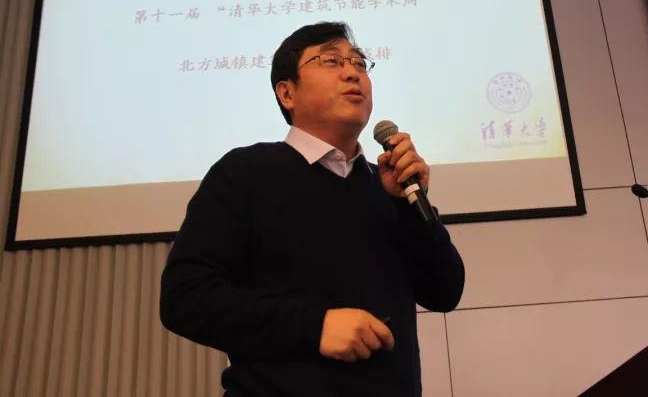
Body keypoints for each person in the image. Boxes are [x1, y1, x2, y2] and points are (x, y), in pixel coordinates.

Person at [160, 21, 465, 396]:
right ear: (287, 93)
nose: (352, 72)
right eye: (331, 61)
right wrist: (314, 327)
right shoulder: (245, 172)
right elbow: (185, 298)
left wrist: (407, 208)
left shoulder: (388, 186)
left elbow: (445, 291)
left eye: (359, 63)